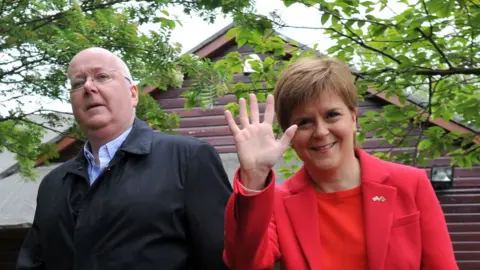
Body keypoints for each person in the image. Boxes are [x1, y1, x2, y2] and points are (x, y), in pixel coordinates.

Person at [222, 57, 458, 270]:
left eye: (332, 115)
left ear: (354, 117)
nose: (321, 132)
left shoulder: (410, 184)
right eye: (304, 122)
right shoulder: (276, 203)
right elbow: (244, 262)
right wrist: (254, 175)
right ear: (288, 135)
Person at [16, 47, 232, 270]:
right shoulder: (54, 184)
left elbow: (222, 258)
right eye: (78, 83)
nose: (88, 87)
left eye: (102, 76)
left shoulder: (187, 160)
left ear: (133, 94)